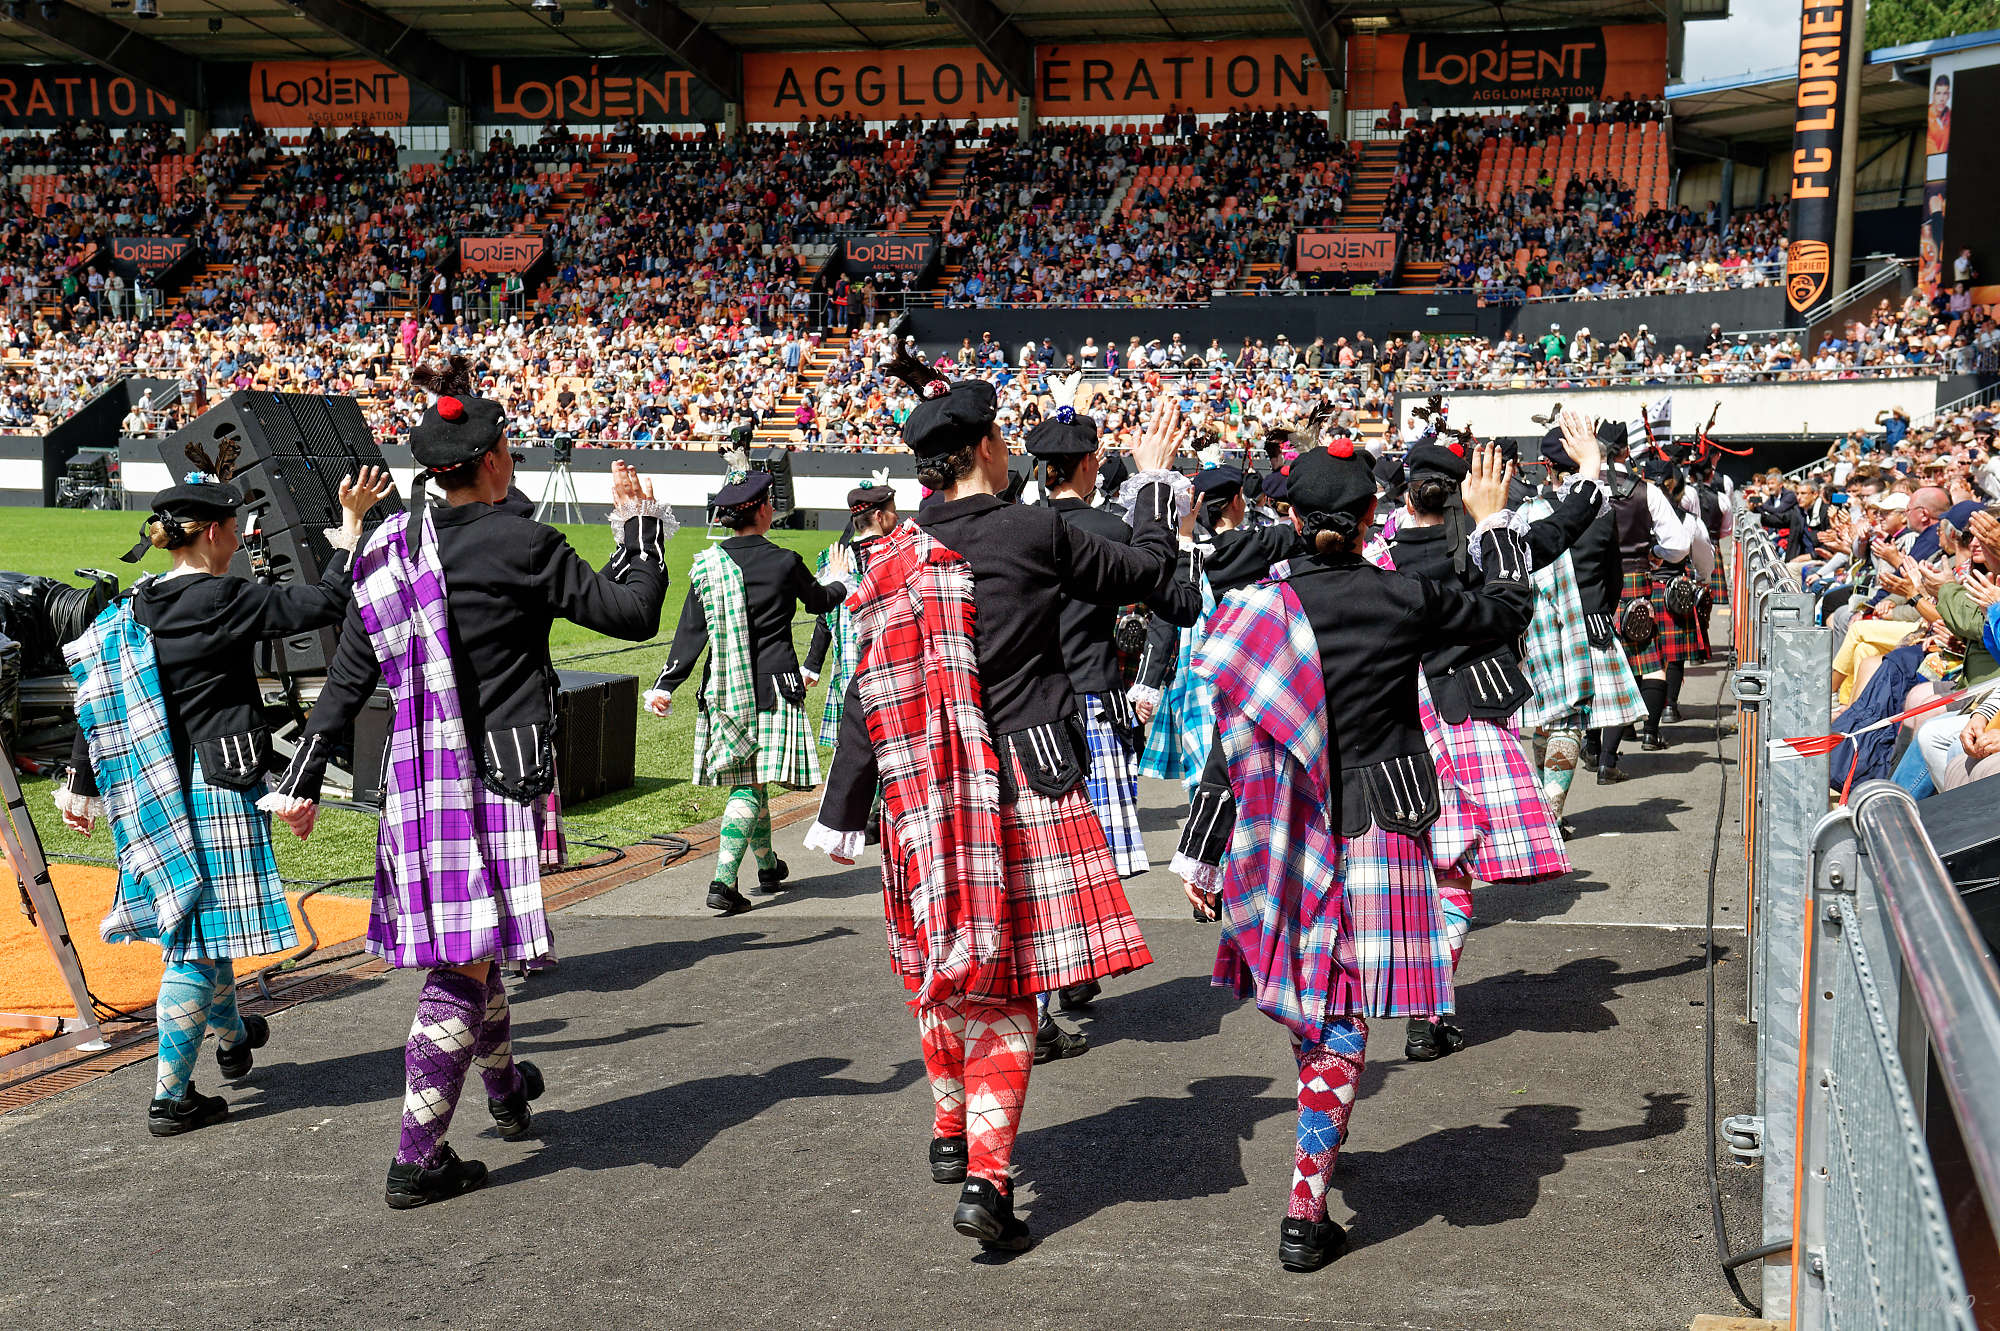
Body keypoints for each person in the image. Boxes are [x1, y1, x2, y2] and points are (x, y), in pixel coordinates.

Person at [264, 357, 670, 1209]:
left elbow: (347, 672)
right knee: (461, 964)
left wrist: (303, 776)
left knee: (474, 948)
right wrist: (640, 533)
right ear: (492, 461)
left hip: (415, 780)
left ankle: (507, 1091)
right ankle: (417, 1157)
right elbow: (632, 615)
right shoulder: (523, 543)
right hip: (498, 778)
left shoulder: (387, 543)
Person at [806, 348, 1184, 1252]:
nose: (1012, 447)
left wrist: (841, 806)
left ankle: (949, 1126)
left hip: (923, 795)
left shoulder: (889, 555)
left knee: (939, 964)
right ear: (982, 447)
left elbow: (868, 690)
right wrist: (1161, 486)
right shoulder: (1034, 532)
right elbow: (1154, 578)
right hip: (1025, 780)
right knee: (1008, 987)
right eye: (1004, 434)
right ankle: (984, 1174)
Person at [1172, 438, 1535, 1272]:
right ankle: (1305, 1201)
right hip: (1380, 819)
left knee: (1318, 1006)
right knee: (1341, 1011)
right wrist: (1494, 521)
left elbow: (1232, 742)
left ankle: (1316, 1153)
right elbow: (1509, 610)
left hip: (1280, 828)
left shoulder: (1254, 607)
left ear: (1292, 518)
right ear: (1374, 514)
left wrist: (1202, 848)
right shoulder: (1402, 595)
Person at [59, 446, 391, 1137]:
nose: (240, 534)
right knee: (195, 943)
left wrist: (80, 783)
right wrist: (351, 530)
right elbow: (326, 602)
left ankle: (233, 1036)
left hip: (153, 787)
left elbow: (102, 702)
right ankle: (168, 1096)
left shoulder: (133, 604)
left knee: (204, 924)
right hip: (218, 783)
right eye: (233, 526)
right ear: (211, 532)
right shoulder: (226, 596)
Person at [1370, 419, 1605, 1057]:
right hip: (1465, 718)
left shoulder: (1374, 560)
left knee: (1400, 867)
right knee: (1454, 870)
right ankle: (1428, 1008)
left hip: (1387, 724)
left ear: (1403, 494)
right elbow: (1563, 528)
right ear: (1464, 490)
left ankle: (1392, 993)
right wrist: (1589, 467)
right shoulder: (1491, 547)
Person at [646, 466, 848, 915]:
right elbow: (819, 602)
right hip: (776, 687)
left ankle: (769, 865)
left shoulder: (706, 566)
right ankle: (722, 880)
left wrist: (666, 684)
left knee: (748, 781)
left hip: (722, 686)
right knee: (749, 787)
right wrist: (841, 579)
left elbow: (690, 633)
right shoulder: (784, 561)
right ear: (761, 509)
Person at [1519, 422, 1646, 824]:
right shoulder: (1603, 512)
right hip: (1589, 625)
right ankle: (1549, 814)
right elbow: (1614, 575)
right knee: (1568, 722)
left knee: (1546, 719)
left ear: (1547, 467)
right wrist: (1601, 613)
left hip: (1538, 628)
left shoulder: (1527, 514)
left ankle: (1545, 809)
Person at [803, 480, 899, 750]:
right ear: (879, 517)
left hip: (848, 672)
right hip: (890, 669)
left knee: (851, 753)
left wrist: (812, 664)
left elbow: (825, 615)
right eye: (893, 510)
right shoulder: (896, 554)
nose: (898, 516)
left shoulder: (832, 558)